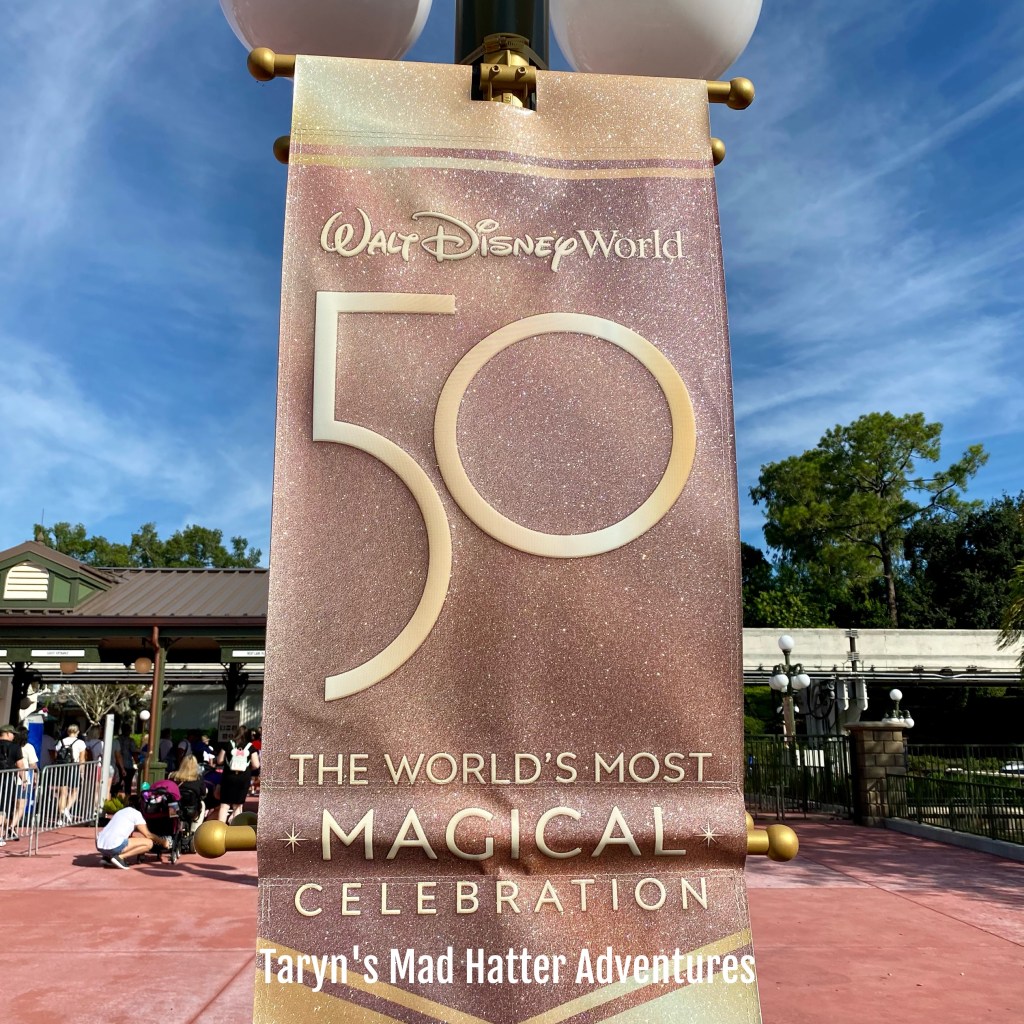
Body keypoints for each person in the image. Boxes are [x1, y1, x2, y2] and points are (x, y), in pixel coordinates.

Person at [95, 800, 172, 869]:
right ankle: (120, 857)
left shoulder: (120, 812)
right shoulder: (136, 814)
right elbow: (148, 835)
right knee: (149, 843)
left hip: (99, 844)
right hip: (114, 846)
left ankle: (107, 858)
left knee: (124, 838)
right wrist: (163, 842)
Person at [215, 727, 259, 822]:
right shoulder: (250, 747)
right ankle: (236, 827)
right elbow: (256, 764)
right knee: (238, 805)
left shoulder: (228, 744)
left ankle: (221, 827)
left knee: (224, 805)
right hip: (243, 778)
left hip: (228, 777)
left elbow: (219, 760)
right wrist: (248, 767)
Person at [7, 729, 39, 841]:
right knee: (20, 806)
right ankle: (11, 827)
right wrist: (36, 775)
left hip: (10, 779)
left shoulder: (11, 746)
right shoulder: (28, 747)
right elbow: (33, 764)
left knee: (10, 806)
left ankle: (11, 828)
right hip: (23, 780)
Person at [169, 753, 208, 842]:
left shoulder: (173, 776)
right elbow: (203, 793)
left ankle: (173, 830)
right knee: (202, 804)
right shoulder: (198, 778)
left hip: (174, 808)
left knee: (171, 803)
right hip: (191, 810)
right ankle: (194, 832)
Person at [53, 723, 87, 824]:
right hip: (73, 767)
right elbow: (82, 758)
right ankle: (66, 809)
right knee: (75, 790)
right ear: (77, 732)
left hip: (62, 768)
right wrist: (82, 772)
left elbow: (56, 755)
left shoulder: (61, 741)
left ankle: (60, 817)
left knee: (63, 793)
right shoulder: (80, 743)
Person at [0, 724, 26, 847]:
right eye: (12, 734)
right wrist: (24, 780)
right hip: (7, 779)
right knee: (2, 808)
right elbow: (20, 766)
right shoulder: (15, 747)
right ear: (7, 733)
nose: (14, 736)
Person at [114, 725, 137, 797]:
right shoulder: (131, 741)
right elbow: (134, 752)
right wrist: (137, 762)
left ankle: (114, 798)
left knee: (117, 783)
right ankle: (127, 799)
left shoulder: (117, 740)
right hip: (128, 765)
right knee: (128, 784)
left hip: (117, 764)